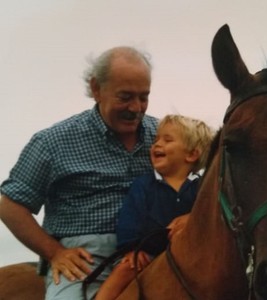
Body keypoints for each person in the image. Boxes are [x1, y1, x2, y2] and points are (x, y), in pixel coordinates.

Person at [0, 46, 158, 300]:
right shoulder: (53, 142)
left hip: (152, 253)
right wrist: (55, 253)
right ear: (96, 89)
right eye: (125, 96)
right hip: (86, 262)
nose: (136, 107)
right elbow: (10, 206)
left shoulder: (163, 136)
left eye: (144, 97)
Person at [95, 114, 215, 300]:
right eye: (156, 139)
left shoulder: (202, 189)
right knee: (126, 268)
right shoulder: (144, 185)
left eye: (167, 140)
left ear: (191, 154)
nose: (157, 144)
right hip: (147, 253)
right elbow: (130, 220)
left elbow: (210, 219)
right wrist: (132, 248)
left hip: (190, 257)